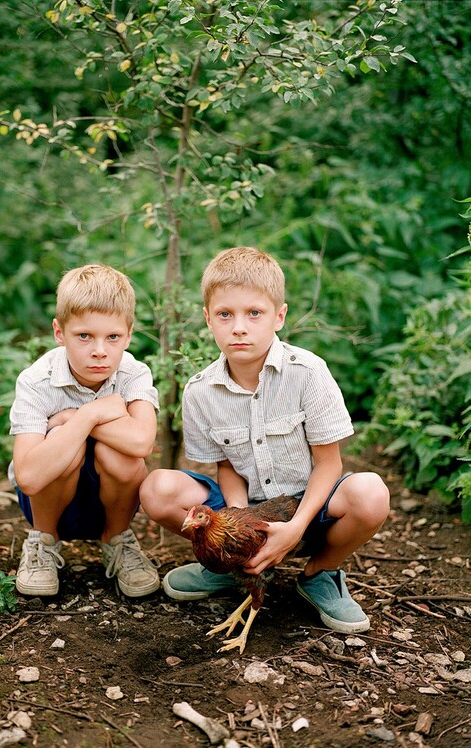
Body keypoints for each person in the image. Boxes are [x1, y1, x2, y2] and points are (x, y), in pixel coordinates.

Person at [139, 246, 390, 633]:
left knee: (371, 493)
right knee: (157, 488)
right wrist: (239, 530)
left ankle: (320, 574)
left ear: (279, 316)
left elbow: (329, 463)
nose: (239, 327)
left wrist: (293, 528)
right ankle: (232, 568)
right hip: (245, 513)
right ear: (208, 319)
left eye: (254, 313)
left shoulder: (308, 373)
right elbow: (226, 466)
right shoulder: (200, 391)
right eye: (225, 314)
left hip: (307, 507)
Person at [9, 263, 160, 599]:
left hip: (112, 502)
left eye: (113, 337)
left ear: (129, 335)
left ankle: (117, 540)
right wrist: (89, 416)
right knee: (65, 446)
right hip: (48, 501)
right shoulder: (37, 380)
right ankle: (43, 543)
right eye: (84, 336)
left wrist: (73, 418)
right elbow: (30, 477)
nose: (100, 350)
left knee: (119, 454)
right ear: (59, 332)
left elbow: (141, 442)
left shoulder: (133, 373)